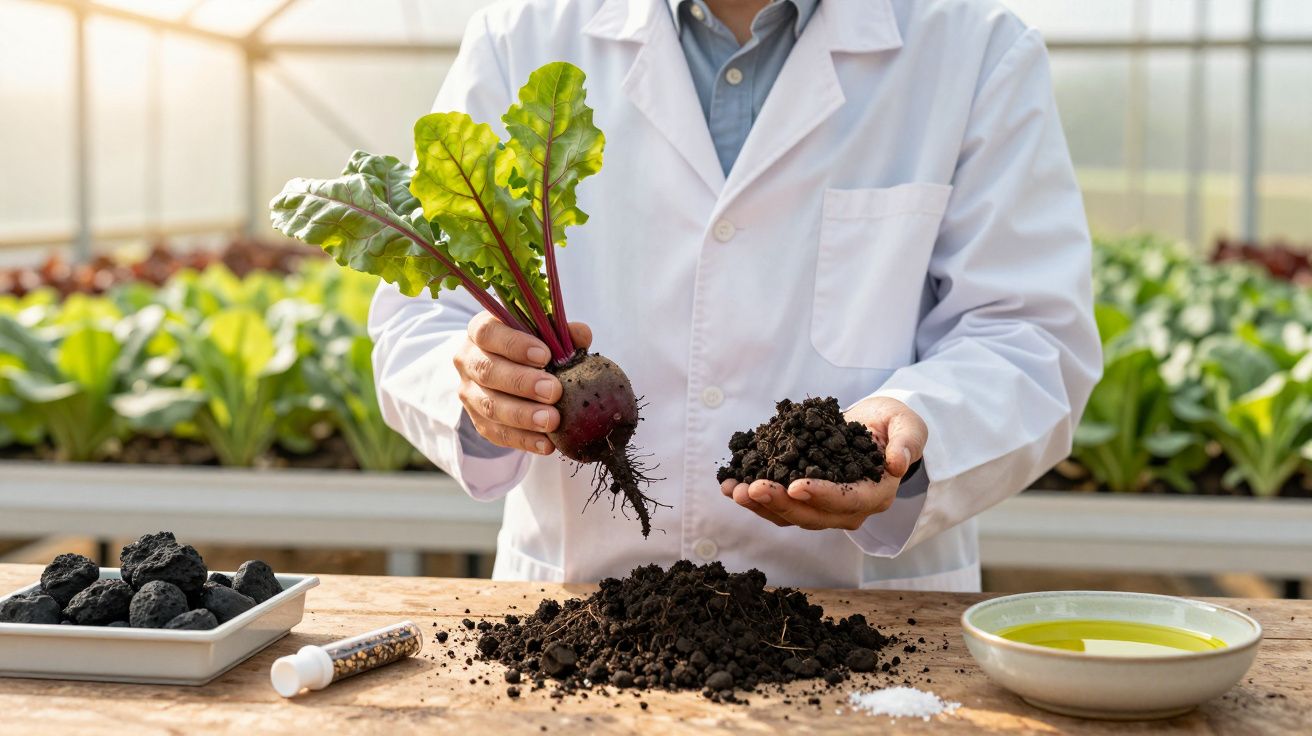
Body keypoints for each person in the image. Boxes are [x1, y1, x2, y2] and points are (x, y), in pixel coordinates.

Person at [369, 0, 1101, 590]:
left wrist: (918, 424)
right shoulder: (520, 34)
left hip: (867, 621)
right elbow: (418, 323)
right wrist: (479, 383)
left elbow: (1031, 337)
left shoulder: (975, 47)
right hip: (577, 607)